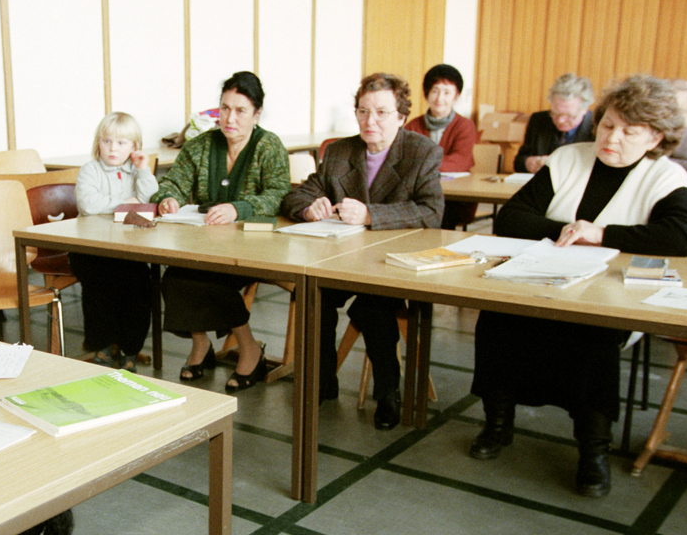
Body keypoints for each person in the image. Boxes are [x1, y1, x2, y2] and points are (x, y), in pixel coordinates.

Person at [470, 75, 687, 498]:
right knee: (498, 318)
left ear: (655, 138)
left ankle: (592, 450)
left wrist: (600, 234)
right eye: (609, 125)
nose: (612, 138)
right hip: (542, 282)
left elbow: (686, 238)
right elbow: (512, 218)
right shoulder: (569, 157)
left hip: (611, 296)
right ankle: (497, 424)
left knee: (591, 334)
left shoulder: (664, 176)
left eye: (628, 132)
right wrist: (568, 230)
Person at [282, 73, 443, 429]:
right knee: (314, 294)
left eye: (382, 112)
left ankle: (388, 392)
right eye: (363, 111)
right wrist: (310, 208)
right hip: (343, 259)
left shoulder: (422, 152)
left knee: (374, 305)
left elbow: (432, 212)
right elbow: (297, 195)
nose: (371, 121)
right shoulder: (340, 151)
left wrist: (372, 214)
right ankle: (322, 383)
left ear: (401, 116)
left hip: (391, 263)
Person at [152, 71, 291, 391]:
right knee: (174, 277)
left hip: (254, 244)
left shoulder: (268, 146)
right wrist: (167, 198)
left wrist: (237, 208)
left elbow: (279, 194)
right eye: (224, 108)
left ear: (257, 114)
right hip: (205, 241)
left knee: (209, 277)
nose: (230, 117)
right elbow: (172, 182)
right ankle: (201, 344)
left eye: (240, 110)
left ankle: (249, 347)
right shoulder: (199, 146)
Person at [70, 111, 159, 370]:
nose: (113, 148)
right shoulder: (90, 170)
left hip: (128, 250)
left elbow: (151, 198)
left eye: (122, 143)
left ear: (134, 147)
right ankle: (103, 344)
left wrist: (143, 169)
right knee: (102, 285)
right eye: (107, 141)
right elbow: (88, 205)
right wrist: (124, 205)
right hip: (91, 250)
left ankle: (131, 348)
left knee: (139, 287)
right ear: (98, 142)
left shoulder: (135, 170)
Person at [403, 63, 480, 229]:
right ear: (427, 94)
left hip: (455, 197)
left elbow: (460, 162)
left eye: (447, 92)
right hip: (418, 194)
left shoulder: (465, 126)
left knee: (437, 215)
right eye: (435, 91)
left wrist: (421, 165)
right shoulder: (412, 126)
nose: (439, 98)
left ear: (456, 96)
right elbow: (404, 160)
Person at [514, 73, 595, 174]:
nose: (560, 120)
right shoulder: (538, 120)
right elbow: (518, 162)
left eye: (569, 115)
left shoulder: (597, 126)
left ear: (585, 110)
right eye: (555, 113)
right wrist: (529, 163)